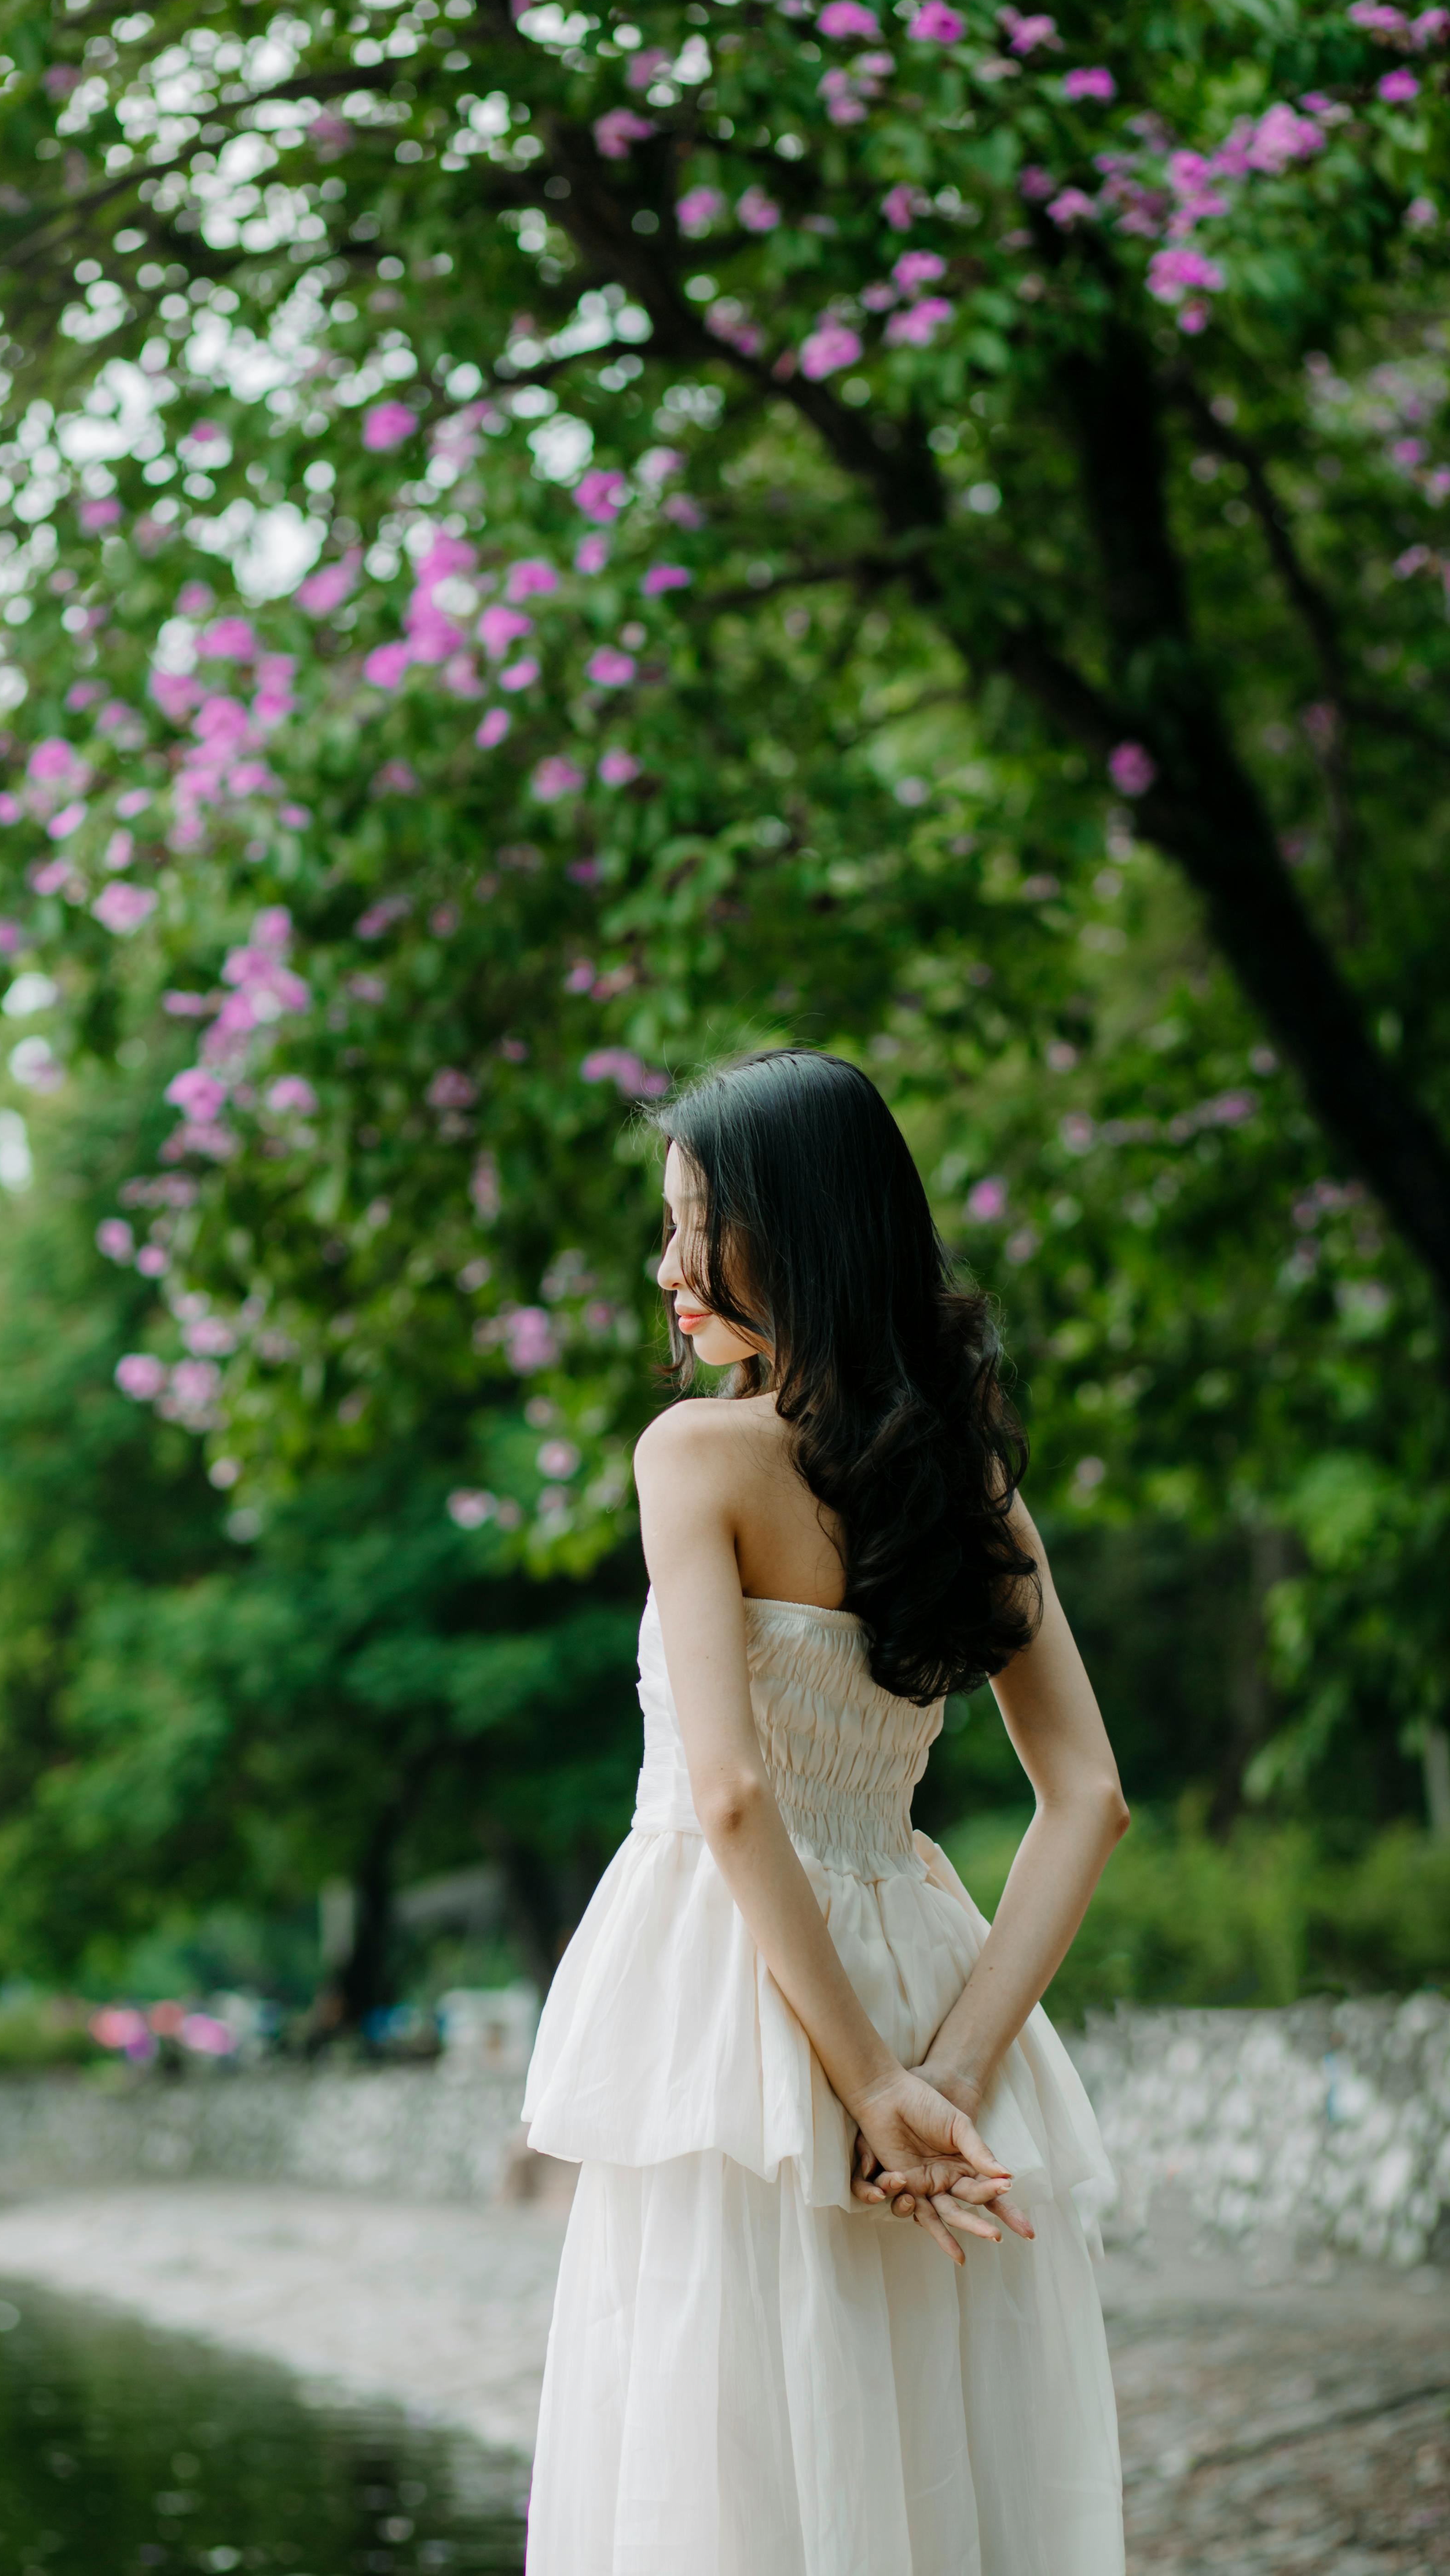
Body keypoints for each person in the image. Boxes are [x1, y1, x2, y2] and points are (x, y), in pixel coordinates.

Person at [521, 1047, 1129, 2575]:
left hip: (737, 2003)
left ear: (795, 1233)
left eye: (693, 1223)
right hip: (928, 2001)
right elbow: (1091, 1800)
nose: (668, 1267)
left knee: (730, 2464)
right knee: (925, 2446)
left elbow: (730, 1800)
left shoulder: (696, 1456)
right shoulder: (967, 1485)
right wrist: (947, 2076)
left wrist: (869, 2093)